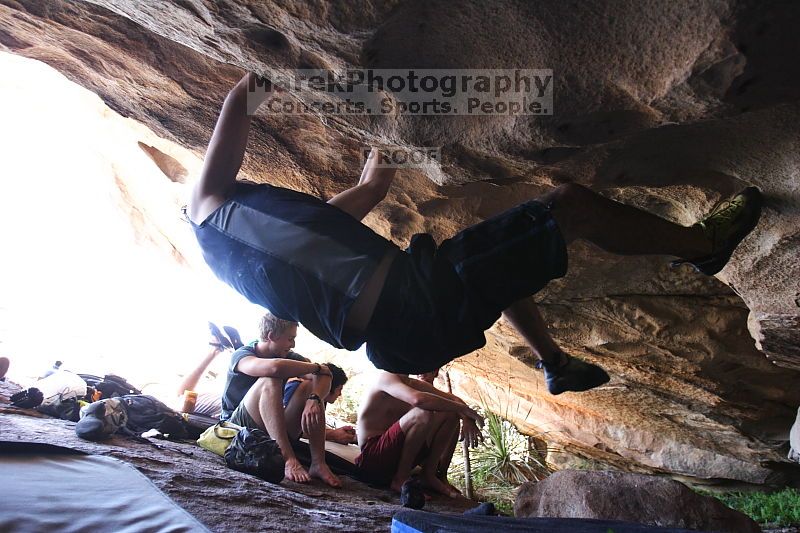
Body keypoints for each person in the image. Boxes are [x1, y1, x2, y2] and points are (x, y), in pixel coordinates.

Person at [188, 72, 763, 395]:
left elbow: (371, 189)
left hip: (402, 333)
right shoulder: (208, 210)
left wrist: (384, 129)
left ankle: (554, 362)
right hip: (414, 300)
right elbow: (243, 93)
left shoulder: (278, 239)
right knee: (565, 207)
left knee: (494, 261)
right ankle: (704, 246)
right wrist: (317, 75)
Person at [222, 312, 345, 487]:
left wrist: (315, 398)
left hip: (267, 427)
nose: (293, 344)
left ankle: (319, 463)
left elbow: (326, 375)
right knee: (270, 379)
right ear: (272, 336)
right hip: (236, 429)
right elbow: (273, 368)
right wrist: (318, 367)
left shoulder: (290, 357)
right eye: (290, 339)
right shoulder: (242, 355)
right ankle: (288, 458)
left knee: (310, 385)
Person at [355, 370, 483, 497]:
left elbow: (453, 399)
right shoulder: (385, 377)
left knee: (450, 413)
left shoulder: (414, 384)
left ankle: (429, 474)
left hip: (396, 459)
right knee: (423, 413)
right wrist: (463, 409)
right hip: (374, 458)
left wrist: (467, 418)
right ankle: (400, 479)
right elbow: (418, 400)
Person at [174, 322, 241, 418]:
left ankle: (217, 349)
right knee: (183, 396)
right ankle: (217, 349)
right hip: (238, 405)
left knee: (182, 399)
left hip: (238, 408)